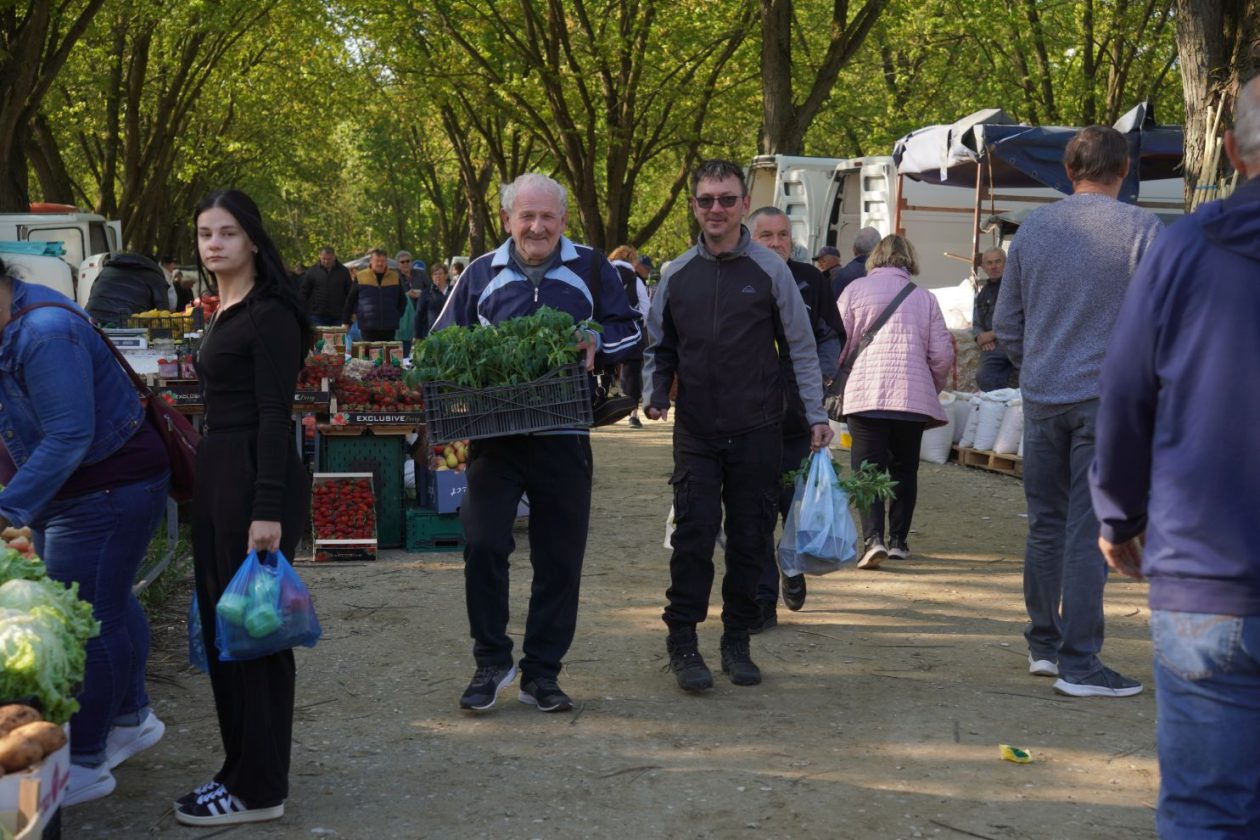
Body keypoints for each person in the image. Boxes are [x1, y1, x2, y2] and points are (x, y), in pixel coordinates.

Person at [1090, 77, 1260, 836]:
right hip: (1205, 574)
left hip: (1207, 574)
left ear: (1231, 150)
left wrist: (1119, 517)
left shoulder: (1185, 248)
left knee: (1204, 812)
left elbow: (1127, 394)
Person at [433, 173, 641, 714]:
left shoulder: (593, 267)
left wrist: (597, 338)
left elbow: (632, 330)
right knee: (482, 544)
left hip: (565, 434)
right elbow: (436, 343)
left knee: (559, 557)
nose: (536, 226)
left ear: (563, 222)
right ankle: (490, 661)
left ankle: (542, 673)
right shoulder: (480, 274)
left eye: (547, 217)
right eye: (526, 216)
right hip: (495, 439)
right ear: (508, 221)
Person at [642, 159, 832, 693]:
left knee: (750, 538)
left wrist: (815, 415)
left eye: (727, 199)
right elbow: (660, 345)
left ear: (744, 203)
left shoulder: (771, 272)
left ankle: (737, 642)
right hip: (697, 431)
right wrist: (654, 395)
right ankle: (683, 642)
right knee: (694, 536)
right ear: (695, 206)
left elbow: (800, 345)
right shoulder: (677, 274)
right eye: (706, 201)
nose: (717, 210)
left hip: (758, 428)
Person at [993, 125, 1161, 698]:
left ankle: (1044, 644)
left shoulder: (1033, 229)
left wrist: (1036, 362)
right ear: (1125, 171)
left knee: (1045, 525)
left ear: (1069, 171)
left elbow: (1006, 323)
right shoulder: (1143, 230)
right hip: (1107, 403)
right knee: (1091, 532)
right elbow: (1160, 325)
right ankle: (1081, 663)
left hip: (1041, 398)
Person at [0, 258, 171, 807]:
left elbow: (69, 434)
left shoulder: (44, 332)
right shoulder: (13, 319)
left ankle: (86, 762)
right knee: (107, 599)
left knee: (86, 623)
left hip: (104, 489)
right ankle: (132, 718)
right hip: (83, 487)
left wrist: (8, 511)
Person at [179, 189, 312, 826]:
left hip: (254, 482)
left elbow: (272, 415)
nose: (214, 244)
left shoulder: (269, 313)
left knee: (256, 636)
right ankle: (237, 770)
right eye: (206, 233)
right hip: (219, 476)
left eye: (227, 232)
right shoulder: (226, 308)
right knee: (223, 630)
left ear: (253, 240)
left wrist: (267, 511)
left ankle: (260, 788)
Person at [836, 234, 954, 570]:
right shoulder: (925, 299)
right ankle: (900, 540)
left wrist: (833, 380)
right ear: (909, 260)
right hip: (911, 400)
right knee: (905, 469)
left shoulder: (854, 291)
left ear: (874, 258)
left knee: (867, 470)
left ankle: (873, 539)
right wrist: (929, 386)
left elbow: (839, 343)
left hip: (864, 395)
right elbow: (942, 355)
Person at [747, 205, 841, 624]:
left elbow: (830, 335)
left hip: (797, 416)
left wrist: (818, 377)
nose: (775, 243)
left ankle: (792, 566)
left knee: (793, 502)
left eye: (782, 235)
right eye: (765, 236)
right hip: (748, 416)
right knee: (757, 509)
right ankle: (763, 600)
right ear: (751, 238)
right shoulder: (739, 276)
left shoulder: (811, 279)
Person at [607, 245, 650, 428]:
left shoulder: (604, 275)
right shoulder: (635, 279)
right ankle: (633, 414)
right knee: (632, 372)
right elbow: (645, 307)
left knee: (603, 366)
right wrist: (641, 327)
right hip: (632, 331)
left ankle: (602, 403)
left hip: (607, 330)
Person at [971, 247, 1016, 391]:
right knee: (984, 376)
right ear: (984, 267)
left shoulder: (1018, 287)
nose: (994, 266)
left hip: (1018, 343)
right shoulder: (983, 293)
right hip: (993, 347)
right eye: (989, 263)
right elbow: (976, 322)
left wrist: (990, 335)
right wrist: (979, 337)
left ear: (1006, 263)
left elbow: (1020, 320)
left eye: (998, 262)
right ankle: (996, 411)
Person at [84, 252, 169, 325]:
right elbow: (163, 313)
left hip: (90, 322)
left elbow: (92, 294)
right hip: (125, 327)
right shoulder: (154, 276)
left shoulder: (106, 271)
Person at [342, 248, 406, 341]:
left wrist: (396, 315)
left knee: (387, 353)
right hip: (367, 325)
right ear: (371, 261)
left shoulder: (394, 276)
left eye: (383, 261)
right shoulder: (361, 276)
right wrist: (345, 321)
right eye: (377, 261)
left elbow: (402, 300)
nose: (380, 264)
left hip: (389, 326)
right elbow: (350, 300)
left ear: (386, 262)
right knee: (369, 353)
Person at [299, 247, 352, 327]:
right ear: (320, 256)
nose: (326, 261)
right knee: (319, 339)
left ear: (334, 257)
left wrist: (351, 312)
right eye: (324, 259)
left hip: (338, 316)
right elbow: (304, 292)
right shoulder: (312, 271)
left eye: (329, 259)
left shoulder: (343, 271)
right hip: (317, 316)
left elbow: (350, 293)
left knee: (337, 339)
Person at [830, 226, 881, 301]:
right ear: (879, 250)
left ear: (854, 249)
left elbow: (832, 307)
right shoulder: (889, 277)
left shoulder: (840, 276)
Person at [415, 261, 452, 339]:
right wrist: (417, 336)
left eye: (440, 274)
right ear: (432, 277)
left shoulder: (453, 292)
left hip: (451, 333)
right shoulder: (426, 293)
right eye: (435, 274)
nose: (437, 276)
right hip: (432, 334)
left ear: (446, 276)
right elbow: (419, 315)